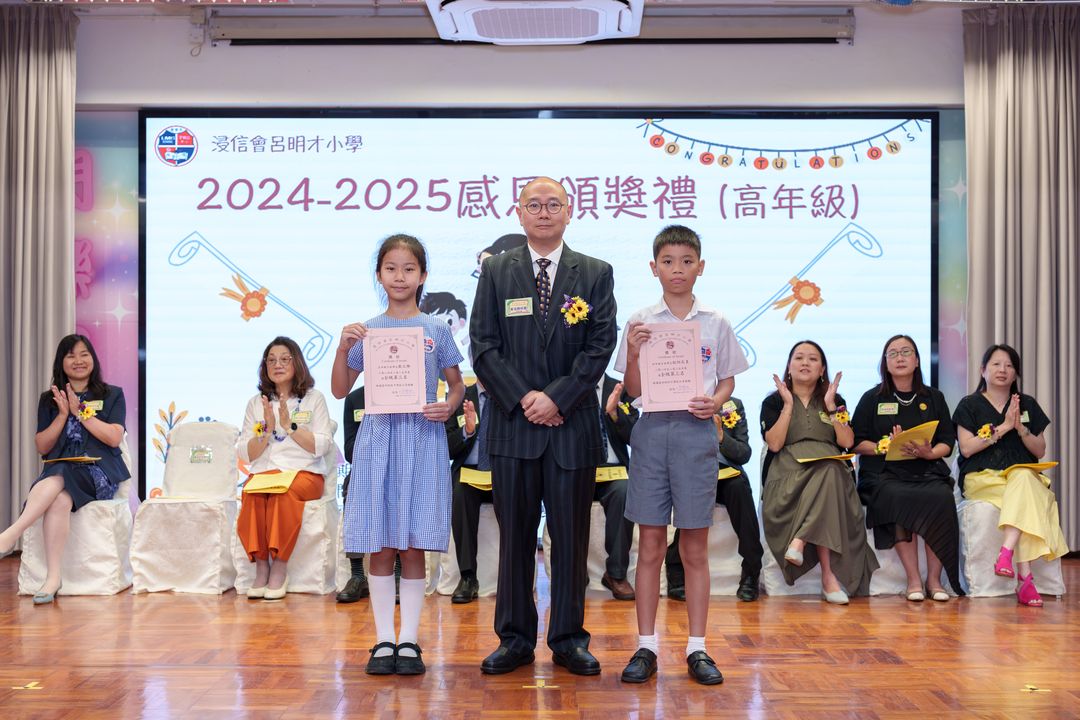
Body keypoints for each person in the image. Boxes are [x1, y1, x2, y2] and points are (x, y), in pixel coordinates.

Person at [469, 177, 616, 676]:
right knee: (515, 540)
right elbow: (483, 346)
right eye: (534, 204)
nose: (544, 212)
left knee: (571, 540)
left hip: (572, 427)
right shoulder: (497, 271)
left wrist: (556, 398)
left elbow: (600, 346)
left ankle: (569, 639)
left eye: (554, 204)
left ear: (569, 211)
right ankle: (514, 639)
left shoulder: (594, 273)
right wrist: (525, 398)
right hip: (514, 427)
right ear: (519, 213)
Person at [615, 224, 748, 686]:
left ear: (700, 267)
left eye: (687, 261)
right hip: (652, 433)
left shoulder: (716, 321)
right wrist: (634, 353)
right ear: (654, 268)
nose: (677, 270)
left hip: (696, 434)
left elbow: (728, 379)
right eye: (668, 262)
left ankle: (697, 647)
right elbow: (632, 390)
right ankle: (646, 646)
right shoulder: (639, 321)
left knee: (694, 546)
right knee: (650, 543)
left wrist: (717, 402)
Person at [332, 233, 465, 676]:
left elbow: (457, 384)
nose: (400, 276)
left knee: (411, 545)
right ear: (379, 275)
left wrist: (448, 405)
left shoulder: (436, 329)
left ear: (423, 275)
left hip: (422, 440)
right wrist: (341, 347)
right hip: (379, 441)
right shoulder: (367, 331)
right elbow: (339, 389)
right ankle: (383, 640)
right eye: (391, 268)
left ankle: (408, 640)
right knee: (381, 543)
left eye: (409, 269)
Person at [0, 334, 128, 604]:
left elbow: (114, 438)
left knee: (60, 472)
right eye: (71, 356)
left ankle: (12, 533)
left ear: (93, 359)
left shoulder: (112, 394)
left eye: (84, 354)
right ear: (61, 362)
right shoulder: (50, 399)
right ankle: (53, 578)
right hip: (60, 473)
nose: (78, 361)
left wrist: (79, 411)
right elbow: (43, 446)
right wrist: (62, 414)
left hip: (98, 472)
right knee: (59, 497)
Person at [760, 340, 878, 605]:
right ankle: (828, 578)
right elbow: (775, 444)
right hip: (788, 475)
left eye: (813, 359)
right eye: (799, 358)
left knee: (830, 469)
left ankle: (800, 541)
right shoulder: (774, 401)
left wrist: (831, 407)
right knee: (829, 475)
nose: (805, 363)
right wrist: (788, 406)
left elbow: (847, 441)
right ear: (789, 366)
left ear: (822, 369)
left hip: (831, 472)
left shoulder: (836, 401)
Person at [952, 343, 1069, 607]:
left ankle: (1007, 553)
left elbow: (1039, 450)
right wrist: (1004, 427)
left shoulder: (1027, 404)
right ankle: (1024, 577)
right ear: (983, 370)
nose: (1002, 370)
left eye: (1009, 365)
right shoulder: (969, 405)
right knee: (1027, 494)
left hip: (1020, 476)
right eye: (996, 364)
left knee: (1024, 477)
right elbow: (967, 449)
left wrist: (1021, 429)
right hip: (983, 478)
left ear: (1015, 373)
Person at [852, 334, 962, 602]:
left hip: (926, 470)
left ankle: (934, 580)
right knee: (896, 495)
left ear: (917, 360)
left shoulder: (933, 397)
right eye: (892, 353)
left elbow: (947, 441)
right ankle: (913, 579)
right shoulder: (872, 398)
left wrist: (929, 453)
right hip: (883, 473)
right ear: (885, 363)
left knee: (941, 496)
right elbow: (855, 442)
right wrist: (884, 447)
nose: (899, 358)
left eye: (906, 352)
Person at [236, 336, 333, 602]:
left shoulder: (314, 399)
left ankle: (279, 567)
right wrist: (267, 430)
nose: (277, 365)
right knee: (251, 493)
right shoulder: (256, 403)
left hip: (304, 474)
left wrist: (290, 426)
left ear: (296, 362)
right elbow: (246, 453)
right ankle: (262, 567)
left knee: (283, 493)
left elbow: (322, 446)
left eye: (284, 359)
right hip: (265, 473)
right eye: (271, 360)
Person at [666, 396, 764, 603]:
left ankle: (751, 571)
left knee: (739, 488)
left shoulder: (732, 404)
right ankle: (675, 568)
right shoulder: (682, 402)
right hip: (693, 472)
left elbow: (744, 453)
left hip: (726, 473)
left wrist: (721, 437)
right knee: (693, 497)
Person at [444, 380, 494, 604]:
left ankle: (513, 574)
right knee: (460, 495)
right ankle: (468, 577)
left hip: (502, 471)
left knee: (518, 494)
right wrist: (468, 431)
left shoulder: (510, 395)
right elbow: (447, 447)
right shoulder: (458, 397)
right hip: (469, 472)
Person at [593, 374, 638, 601]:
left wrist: (613, 414)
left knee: (625, 491)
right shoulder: (569, 385)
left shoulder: (622, 390)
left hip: (614, 470)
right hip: (579, 468)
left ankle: (616, 574)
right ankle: (573, 574)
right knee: (563, 492)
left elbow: (635, 436)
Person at [336, 385, 369, 603]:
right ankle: (357, 574)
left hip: (398, 466)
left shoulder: (406, 394)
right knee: (353, 484)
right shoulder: (355, 398)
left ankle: (398, 572)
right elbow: (349, 452)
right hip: (365, 467)